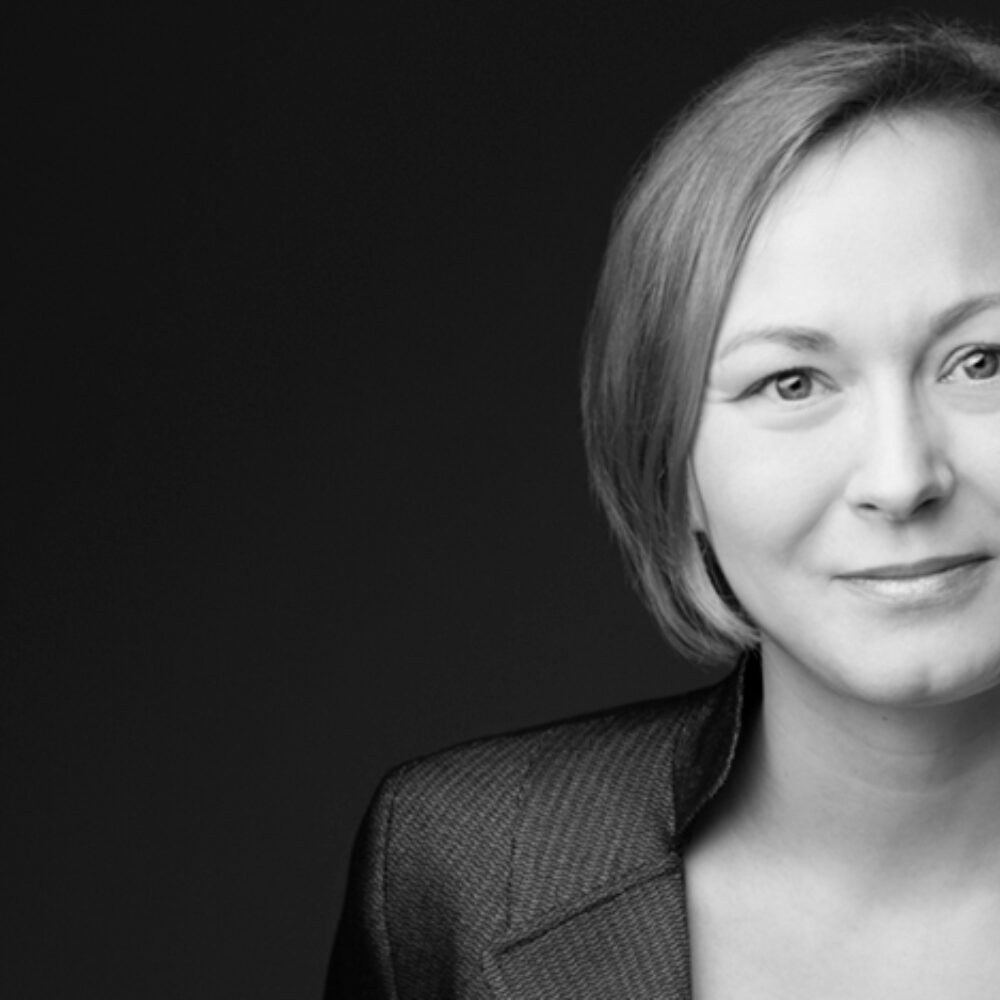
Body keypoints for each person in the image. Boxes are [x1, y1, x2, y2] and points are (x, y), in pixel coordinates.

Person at [329, 16, 1000, 998]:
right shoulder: (466, 867)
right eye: (790, 382)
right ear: (670, 457)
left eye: (983, 361)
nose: (902, 480)